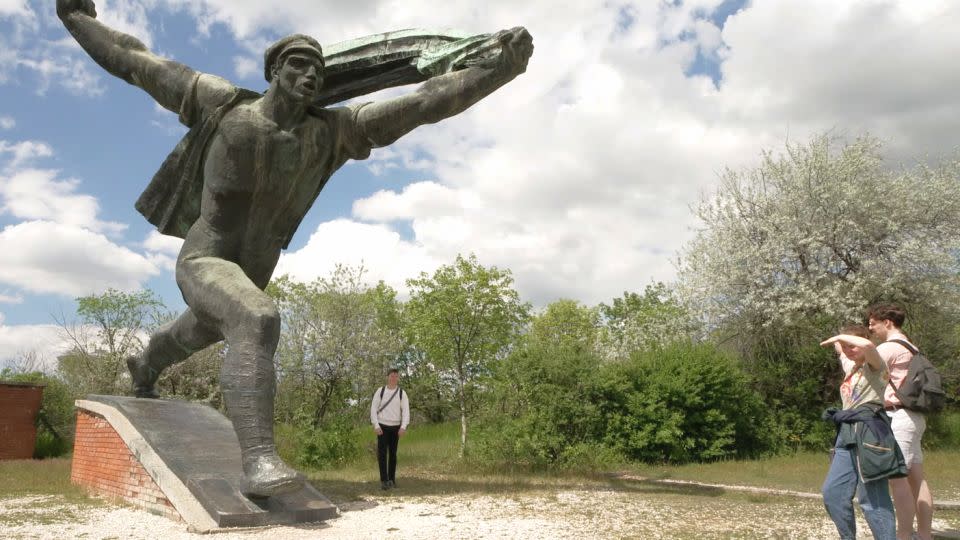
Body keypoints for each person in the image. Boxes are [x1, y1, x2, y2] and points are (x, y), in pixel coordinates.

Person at [57, 0, 532, 497]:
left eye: (319, 69)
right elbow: (135, 60)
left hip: (251, 271)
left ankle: (148, 362)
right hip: (206, 260)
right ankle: (259, 461)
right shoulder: (221, 103)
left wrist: (497, 70)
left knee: (197, 331)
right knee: (255, 318)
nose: (310, 75)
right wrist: (77, 19)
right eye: (299, 64)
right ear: (273, 71)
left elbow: (421, 105)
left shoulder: (331, 133)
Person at [820, 325, 897, 540]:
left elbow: (868, 345)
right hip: (847, 434)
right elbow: (843, 350)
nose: (848, 349)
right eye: (845, 346)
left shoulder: (876, 365)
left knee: (872, 499)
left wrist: (840, 336)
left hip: (870, 432)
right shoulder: (851, 366)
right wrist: (841, 343)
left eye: (852, 345)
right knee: (833, 493)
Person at [867, 304, 935, 540]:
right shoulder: (912, 347)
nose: (870, 328)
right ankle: (924, 535)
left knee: (898, 481)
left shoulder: (888, 348)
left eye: (873, 323)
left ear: (887, 322)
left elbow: (865, 371)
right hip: (914, 417)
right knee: (917, 478)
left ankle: (903, 535)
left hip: (898, 416)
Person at [370, 369, 409, 490]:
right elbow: (373, 409)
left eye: (396, 376)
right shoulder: (380, 391)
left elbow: (406, 411)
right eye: (392, 376)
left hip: (396, 427)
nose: (394, 378)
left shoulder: (402, 393)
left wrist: (403, 427)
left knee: (393, 454)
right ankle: (384, 481)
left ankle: (391, 480)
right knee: (382, 454)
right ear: (388, 377)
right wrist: (376, 425)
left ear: (398, 378)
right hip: (382, 426)